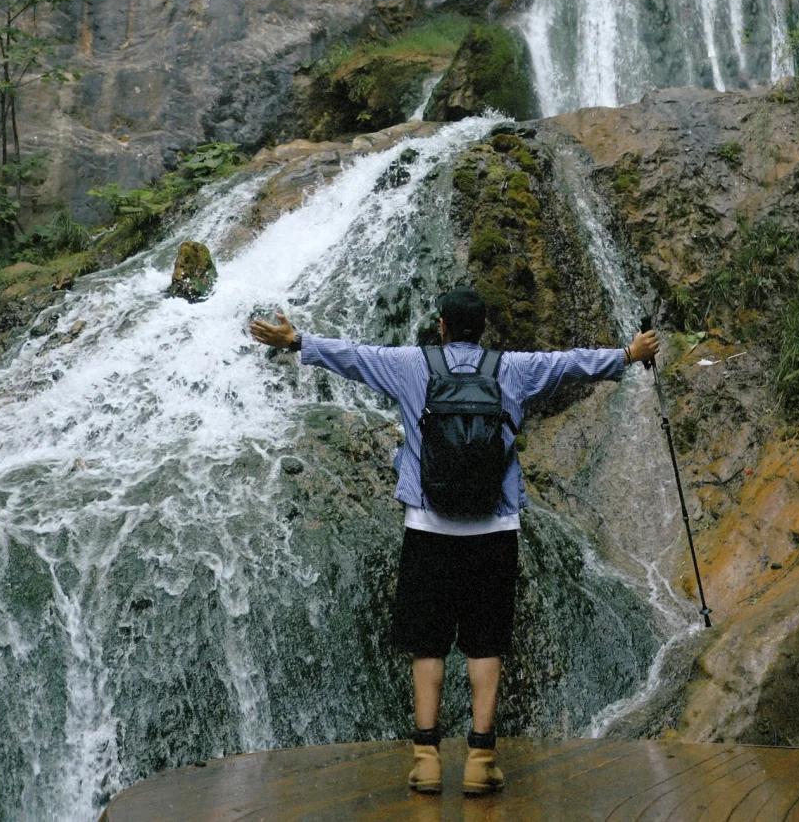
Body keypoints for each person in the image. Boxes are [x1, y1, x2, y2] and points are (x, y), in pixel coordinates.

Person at [249, 287, 659, 797]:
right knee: (486, 643)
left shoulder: (409, 365)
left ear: (441, 325)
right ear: (483, 328)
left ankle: (426, 761)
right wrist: (627, 354)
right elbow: (568, 364)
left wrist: (297, 341)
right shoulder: (513, 368)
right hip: (495, 527)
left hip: (428, 526)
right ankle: (480, 761)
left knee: (428, 643)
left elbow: (354, 356)